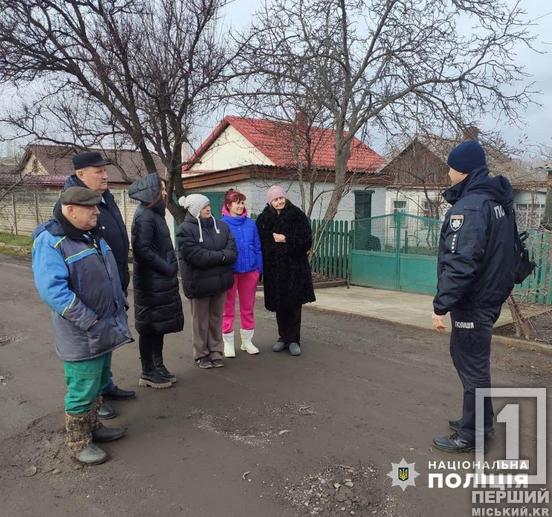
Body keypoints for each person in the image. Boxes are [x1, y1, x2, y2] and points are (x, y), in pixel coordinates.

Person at [32, 187, 133, 465]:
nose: (97, 212)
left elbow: (107, 273)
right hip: (82, 332)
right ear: (70, 209)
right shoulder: (51, 241)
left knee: (99, 382)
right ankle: (78, 442)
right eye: (90, 208)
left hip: (103, 327)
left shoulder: (90, 234)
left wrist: (118, 301)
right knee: (82, 387)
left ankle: (93, 428)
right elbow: (53, 291)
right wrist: (89, 320)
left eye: (96, 207)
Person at [431, 140, 516, 453]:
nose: (448, 172)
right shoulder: (496, 201)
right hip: (489, 297)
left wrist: (441, 305)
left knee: (472, 367)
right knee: (473, 363)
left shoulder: (469, 207)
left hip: (473, 300)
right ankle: (480, 421)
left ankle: (473, 434)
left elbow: (461, 263)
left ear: (462, 170)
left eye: (451, 166)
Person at [59, 151, 135, 417]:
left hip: (111, 280)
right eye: (98, 171)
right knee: (91, 347)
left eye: (105, 170)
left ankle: (105, 385)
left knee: (107, 339)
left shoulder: (105, 196)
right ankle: (94, 399)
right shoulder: (74, 203)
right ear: (81, 175)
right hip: (90, 291)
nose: (105, 175)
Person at [129, 173, 184, 388]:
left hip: (159, 282)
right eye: (161, 188)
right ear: (151, 191)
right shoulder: (144, 215)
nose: (164, 192)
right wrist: (167, 267)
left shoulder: (154, 213)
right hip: (151, 283)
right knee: (149, 328)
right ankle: (148, 371)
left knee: (158, 327)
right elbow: (141, 249)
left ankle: (158, 366)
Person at [176, 194, 236, 369]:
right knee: (200, 320)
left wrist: (216, 257)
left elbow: (232, 251)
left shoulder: (222, 227)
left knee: (216, 318)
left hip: (219, 282)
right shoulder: (185, 230)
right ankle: (201, 354)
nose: (208, 209)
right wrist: (221, 256)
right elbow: (196, 257)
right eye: (204, 207)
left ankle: (216, 351)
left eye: (208, 205)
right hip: (198, 283)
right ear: (195, 210)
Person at [255, 185, 315, 357]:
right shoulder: (264, 219)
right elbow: (261, 243)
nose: (279, 201)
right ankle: (283, 337)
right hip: (275, 269)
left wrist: (286, 239)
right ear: (270, 202)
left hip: (295, 268)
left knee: (294, 304)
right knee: (280, 305)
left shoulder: (297, 215)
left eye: (281, 198)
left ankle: (294, 340)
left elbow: (306, 241)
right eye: (275, 199)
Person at [220, 189, 263, 357]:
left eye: (242, 202)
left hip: (250, 271)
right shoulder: (222, 224)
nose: (240, 206)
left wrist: (259, 268)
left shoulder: (251, 223)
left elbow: (258, 247)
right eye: (237, 202)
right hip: (230, 272)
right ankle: (228, 343)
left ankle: (247, 341)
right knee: (227, 308)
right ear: (228, 205)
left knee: (248, 308)